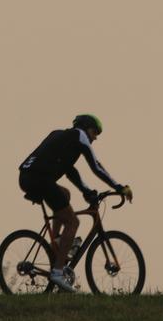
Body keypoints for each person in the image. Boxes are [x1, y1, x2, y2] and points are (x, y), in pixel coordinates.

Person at [18, 114, 133, 292]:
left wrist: (86, 191)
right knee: (73, 222)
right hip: (40, 180)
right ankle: (57, 272)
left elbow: (70, 172)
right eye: (94, 132)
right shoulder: (79, 135)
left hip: (27, 177)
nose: (95, 138)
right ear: (85, 127)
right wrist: (119, 187)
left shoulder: (62, 137)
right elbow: (96, 166)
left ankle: (56, 243)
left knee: (65, 194)